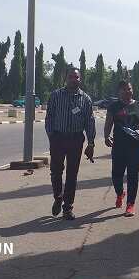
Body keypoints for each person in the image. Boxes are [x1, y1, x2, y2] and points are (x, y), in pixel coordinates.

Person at [45, 68, 96, 220]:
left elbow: (90, 121)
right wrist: (51, 136)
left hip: (75, 140)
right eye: (71, 77)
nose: (73, 79)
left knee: (72, 175)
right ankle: (58, 197)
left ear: (80, 79)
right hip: (58, 138)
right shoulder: (55, 96)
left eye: (76, 77)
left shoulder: (85, 99)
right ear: (65, 78)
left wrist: (91, 143)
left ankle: (67, 208)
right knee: (56, 171)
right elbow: (49, 117)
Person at [104, 81, 139, 217]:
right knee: (116, 175)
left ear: (133, 90)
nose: (128, 91)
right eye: (124, 89)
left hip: (136, 146)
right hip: (119, 145)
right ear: (119, 91)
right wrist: (107, 136)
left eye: (129, 89)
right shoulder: (114, 107)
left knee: (132, 175)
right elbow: (108, 123)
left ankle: (130, 204)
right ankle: (120, 193)